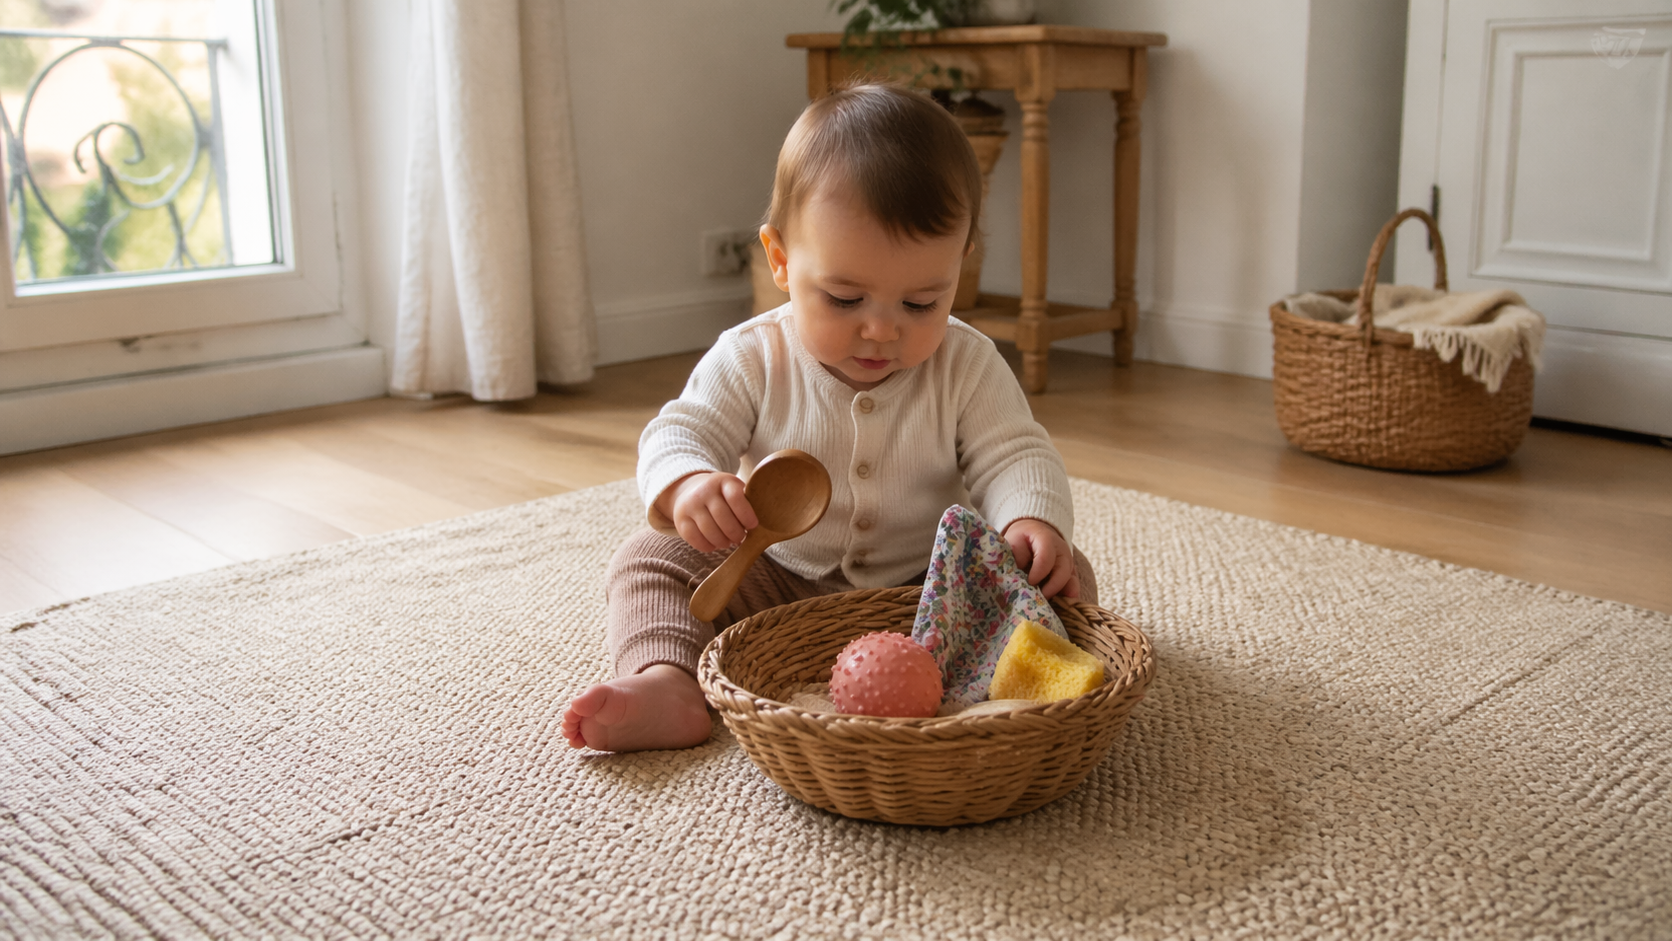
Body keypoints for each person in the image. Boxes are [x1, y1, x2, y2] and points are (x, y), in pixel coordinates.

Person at [561, 83, 1097, 753]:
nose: (881, 330)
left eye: (922, 302)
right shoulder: (754, 356)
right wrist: (689, 482)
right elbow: (681, 430)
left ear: (959, 268)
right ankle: (665, 681)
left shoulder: (968, 363)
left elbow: (1014, 453)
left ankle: (990, 689)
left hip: (927, 588)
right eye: (845, 299)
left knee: (1063, 569)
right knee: (649, 561)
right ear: (782, 261)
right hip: (778, 574)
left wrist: (1031, 522)